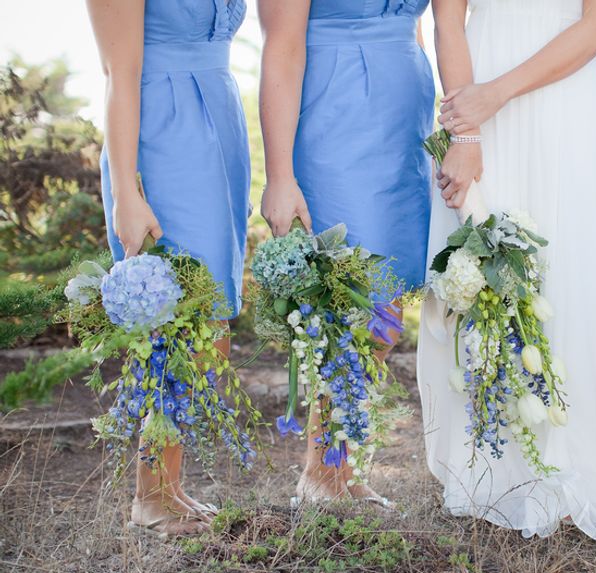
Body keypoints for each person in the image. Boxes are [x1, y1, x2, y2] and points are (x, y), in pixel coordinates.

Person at [419, 0, 596, 540]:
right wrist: (467, 133)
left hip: (563, 97)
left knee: (567, 268)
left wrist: (494, 96)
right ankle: (490, 467)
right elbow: (447, 18)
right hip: (475, 81)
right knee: (484, 266)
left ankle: (572, 462)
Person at [257, 0, 435, 505]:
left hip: (405, 123)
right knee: (351, 305)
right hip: (337, 112)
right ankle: (322, 474)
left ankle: (344, 468)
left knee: (387, 310)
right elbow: (282, 46)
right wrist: (280, 175)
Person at [87, 0, 250, 535]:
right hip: (161, 133)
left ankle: (169, 485)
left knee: (211, 318)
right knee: (176, 317)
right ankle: (150, 493)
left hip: (218, 126)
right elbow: (119, 73)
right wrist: (126, 192)